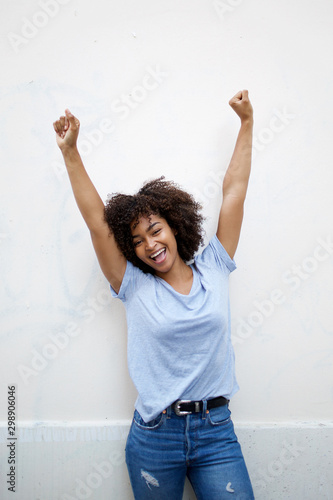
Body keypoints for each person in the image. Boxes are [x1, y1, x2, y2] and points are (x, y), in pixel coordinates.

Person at [53, 89, 255, 500]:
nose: (150, 244)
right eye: (138, 239)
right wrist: (71, 153)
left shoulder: (214, 266)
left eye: (156, 229)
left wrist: (246, 123)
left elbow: (233, 191)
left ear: (175, 226)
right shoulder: (134, 285)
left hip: (216, 432)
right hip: (155, 435)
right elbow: (97, 223)